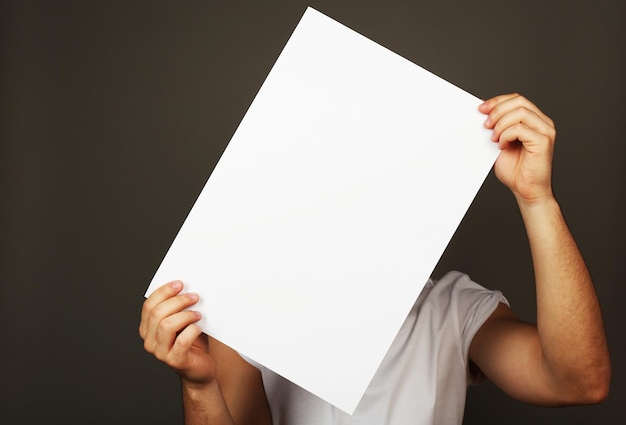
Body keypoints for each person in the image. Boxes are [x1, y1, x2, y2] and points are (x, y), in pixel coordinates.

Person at [139, 94, 611, 424]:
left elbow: (577, 383)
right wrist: (198, 386)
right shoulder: (247, 317)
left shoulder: (452, 309)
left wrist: (536, 198)